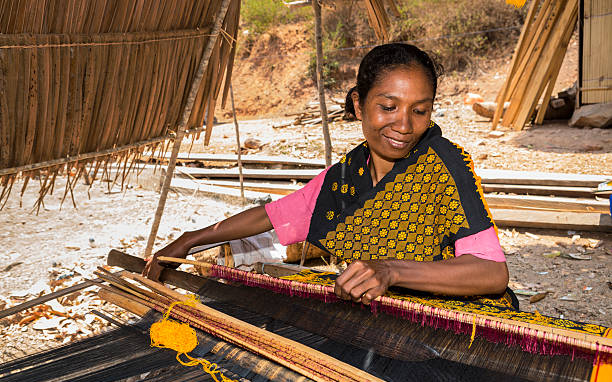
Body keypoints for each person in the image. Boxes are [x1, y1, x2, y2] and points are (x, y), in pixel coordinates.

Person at [144, 43, 509, 306]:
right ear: (358, 105)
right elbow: (272, 215)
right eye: (388, 107)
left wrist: (391, 271)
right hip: (380, 321)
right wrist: (191, 239)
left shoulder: (443, 164)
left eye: (419, 110)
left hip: (451, 326)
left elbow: (491, 274)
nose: (404, 124)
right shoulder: (348, 175)